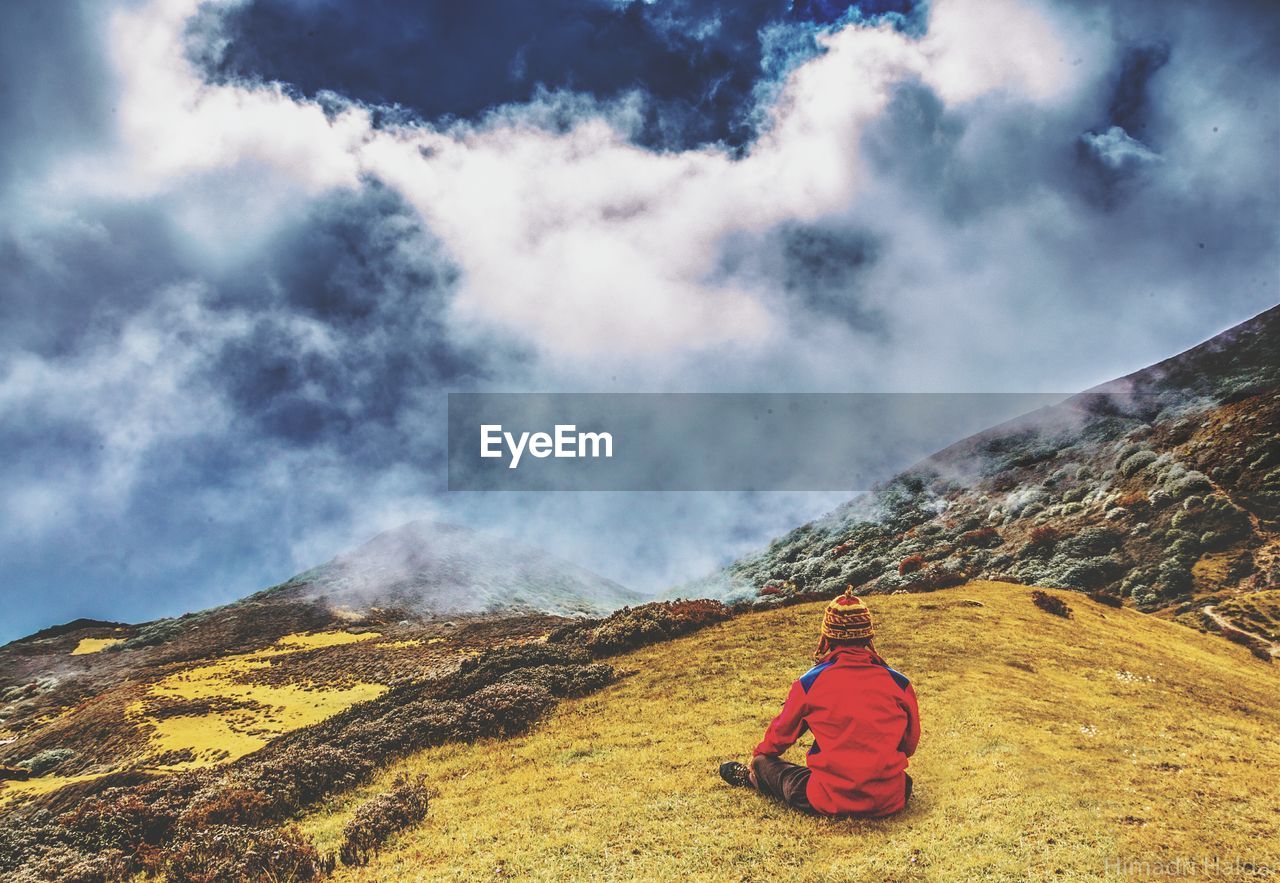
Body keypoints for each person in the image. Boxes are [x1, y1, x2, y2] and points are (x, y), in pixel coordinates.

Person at [719, 587, 920, 817]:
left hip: (829, 798)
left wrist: (758, 756)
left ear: (827, 637)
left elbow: (779, 738)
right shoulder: (899, 682)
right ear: (868, 636)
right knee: (903, 780)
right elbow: (909, 745)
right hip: (890, 799)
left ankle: (752, 775)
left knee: (767, 765)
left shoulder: (810, 683)